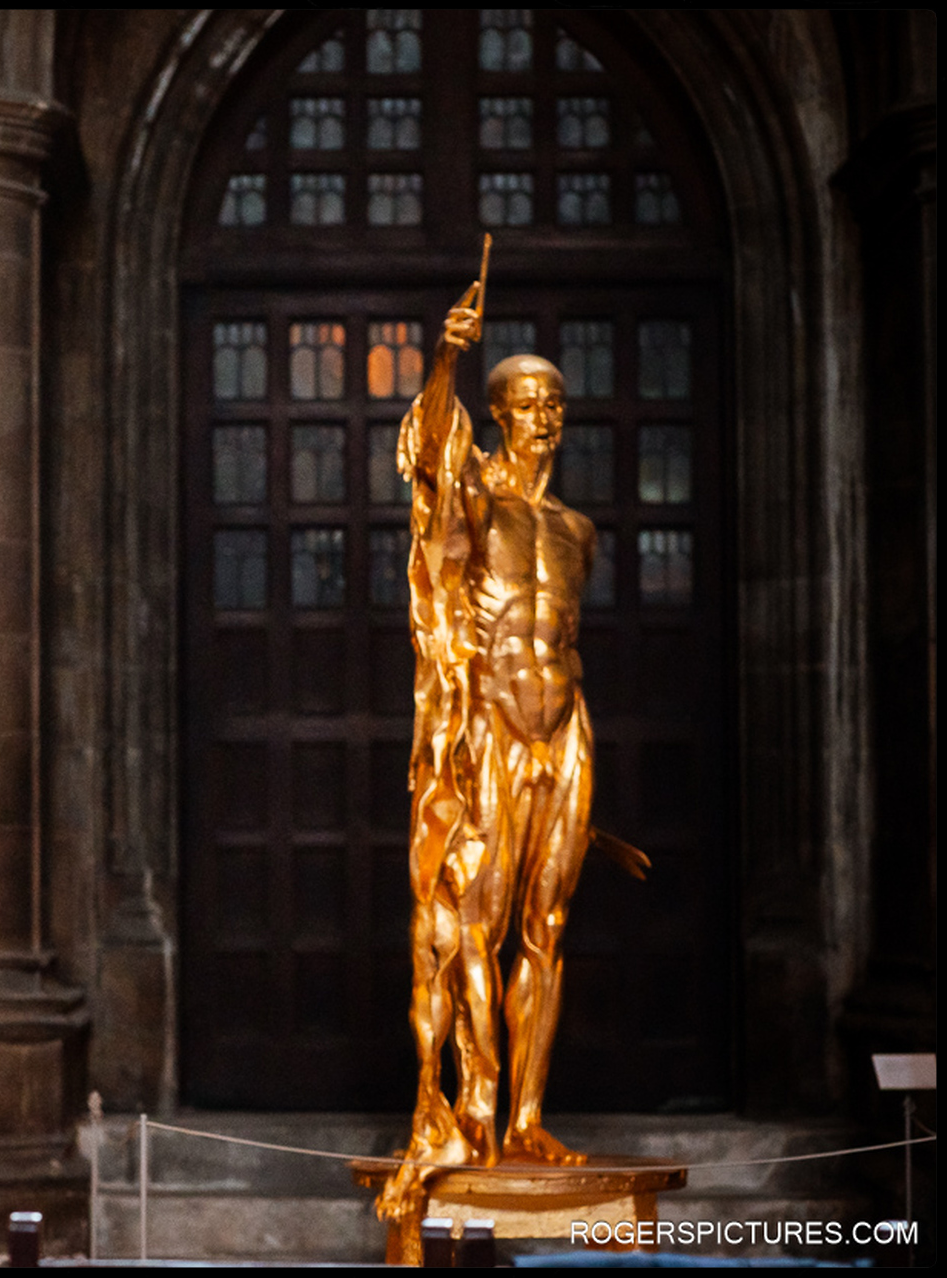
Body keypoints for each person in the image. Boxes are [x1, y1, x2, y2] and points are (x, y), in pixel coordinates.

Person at [376, 284, 638, 1221]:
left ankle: (527, 1117)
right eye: (527, 405)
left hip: (564, 730)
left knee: (549, 926)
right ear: (498, 416)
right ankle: (475, 1109)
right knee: (476, 923)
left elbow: (565, 637)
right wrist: (444, 359)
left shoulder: (577, 532)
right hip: (487, 722)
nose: (544, 419)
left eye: (555, 405)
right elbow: (430, 456)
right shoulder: (473, 502)